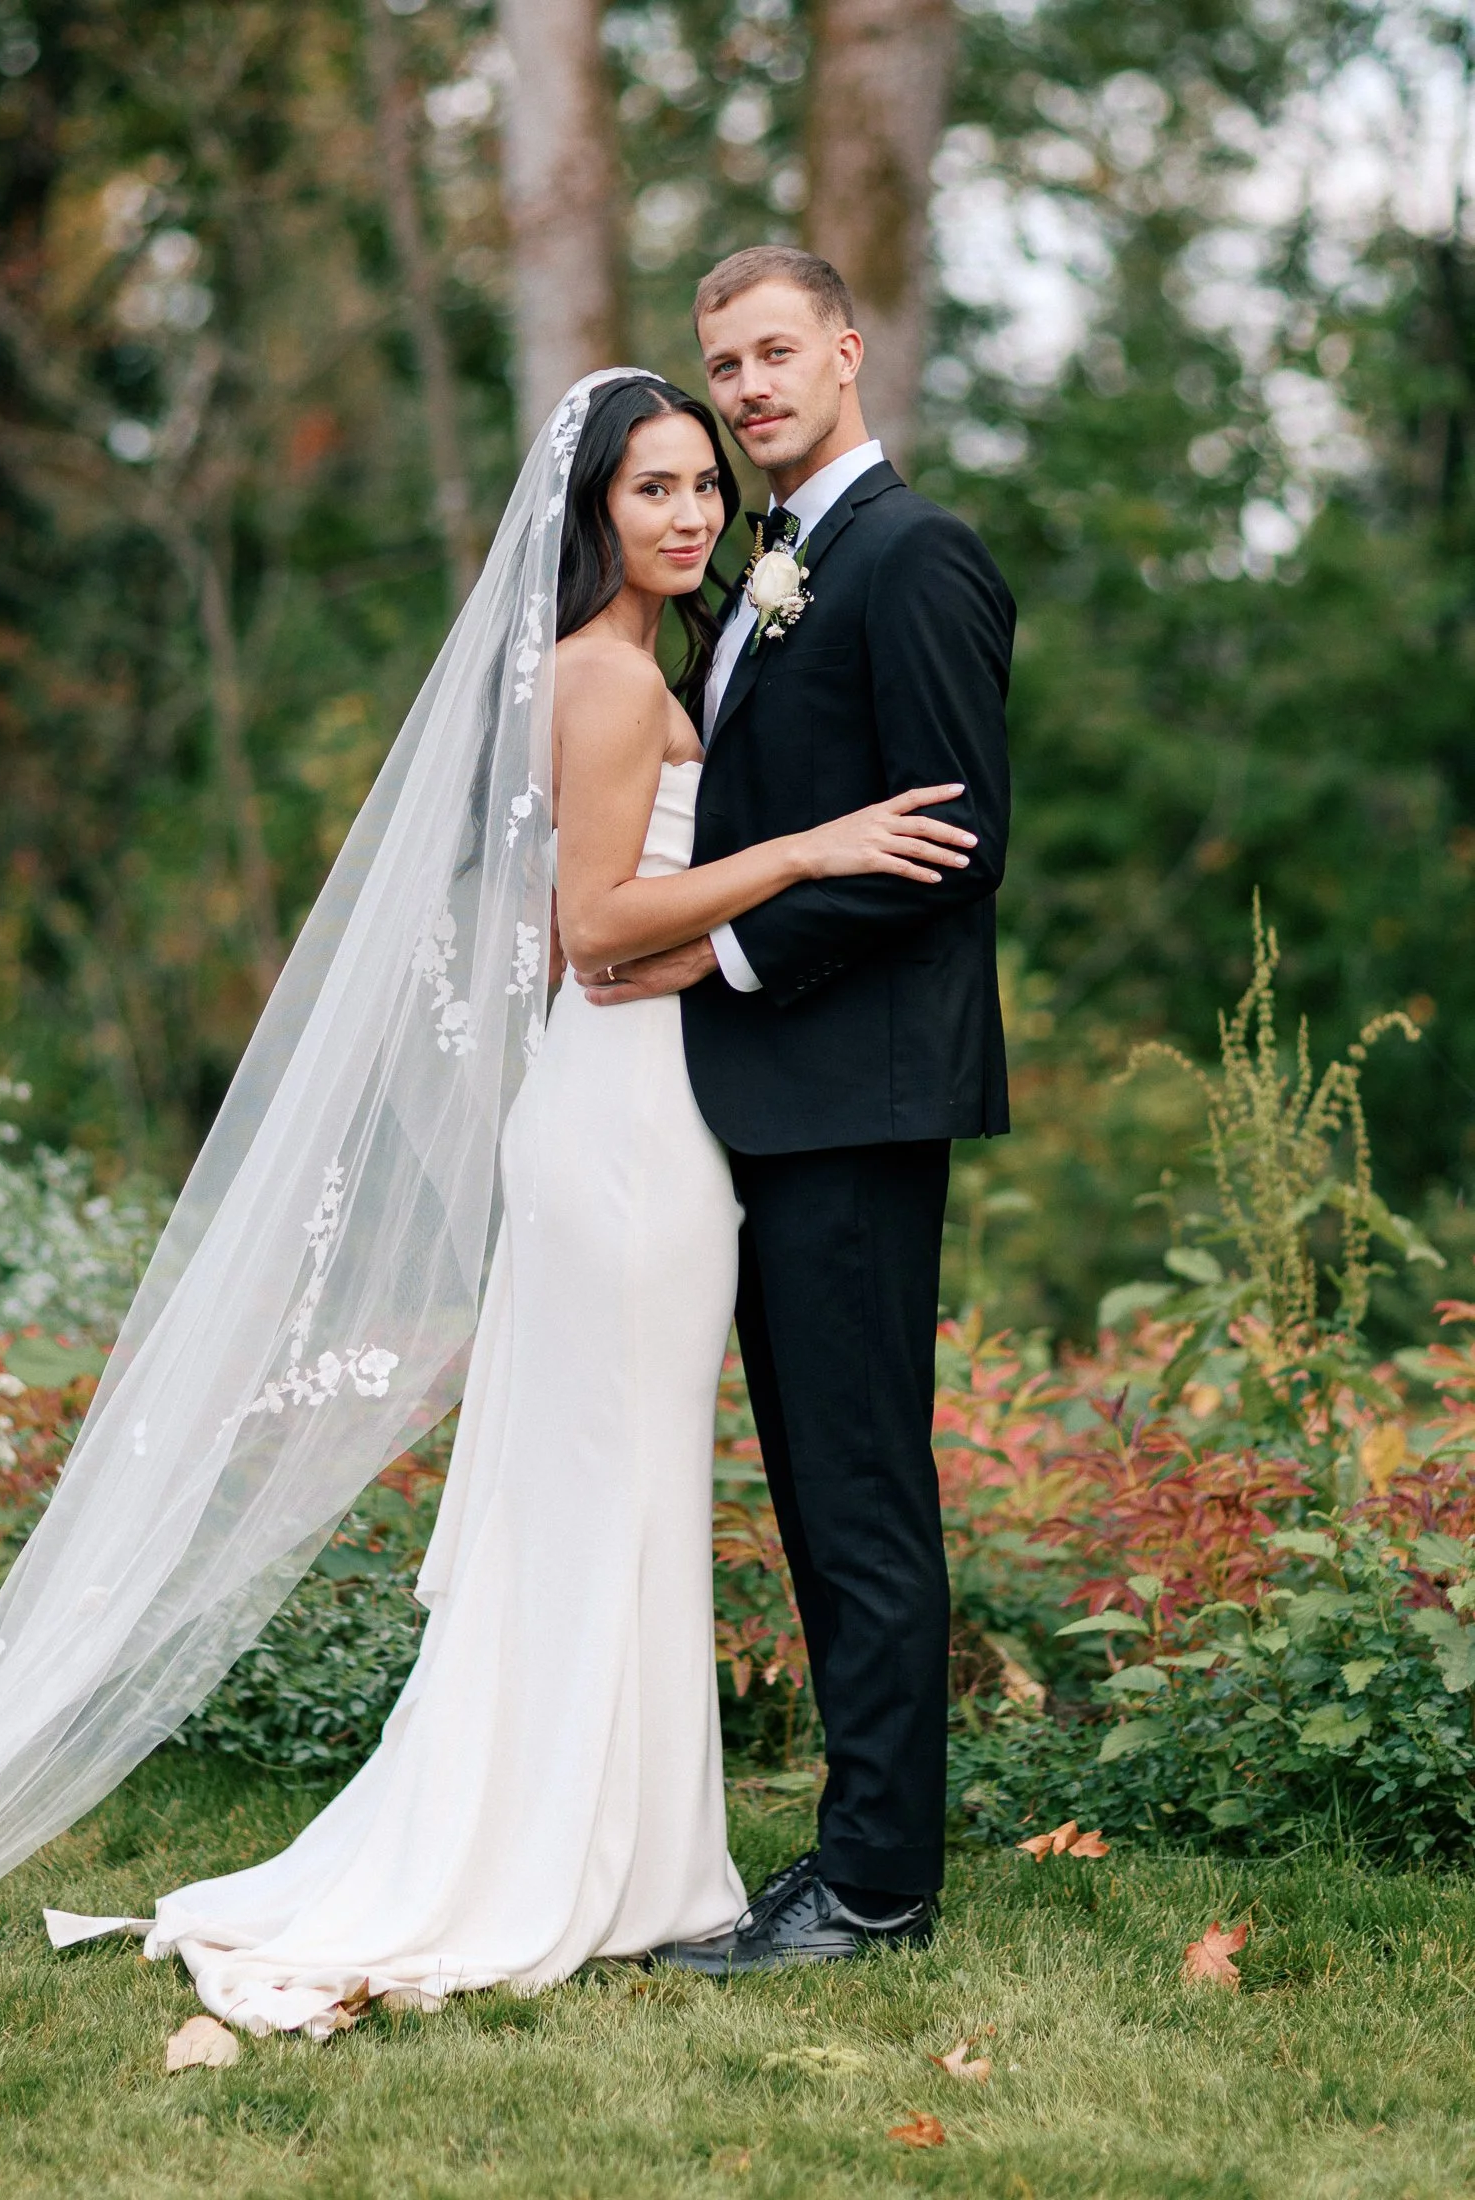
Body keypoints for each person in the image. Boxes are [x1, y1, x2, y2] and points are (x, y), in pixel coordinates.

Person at [0, 367, 973, 2028]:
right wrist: (809, 852)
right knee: (603, 1488)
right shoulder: (594, 680)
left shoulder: (653, 660)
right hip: (622, 1137)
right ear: (590, 517)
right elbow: (592, 928)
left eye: (701, 488)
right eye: (650, 488)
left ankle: (637, 1853)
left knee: (628, 1486)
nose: (689, 513)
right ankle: (538, 1853)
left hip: (667, 1116)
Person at [581, 249, 1016, 1974]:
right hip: (774, 1109)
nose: (748, 388)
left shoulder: (912, 558)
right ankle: (849, 1854)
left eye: (775, 355)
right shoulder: (774, 567)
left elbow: (954, 840)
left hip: (850, 1098)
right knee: (821, 1491)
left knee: (854, 1492)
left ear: (846, 351)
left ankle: (878, 1885)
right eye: (723, 364)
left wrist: (728, 959)